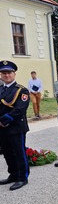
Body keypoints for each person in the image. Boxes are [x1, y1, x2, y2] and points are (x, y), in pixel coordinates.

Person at [0, 60, 30, 191]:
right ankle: (13, 174)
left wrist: (4, 120)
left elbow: (20, 109)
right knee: (7, 153)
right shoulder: (0, 89)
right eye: (3, 73)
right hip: (1, 128)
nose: (6, 75)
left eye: (9, 72)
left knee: (19, 152)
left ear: (14, 74)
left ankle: (23, 177)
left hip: (15, 127)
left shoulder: (21, 90)